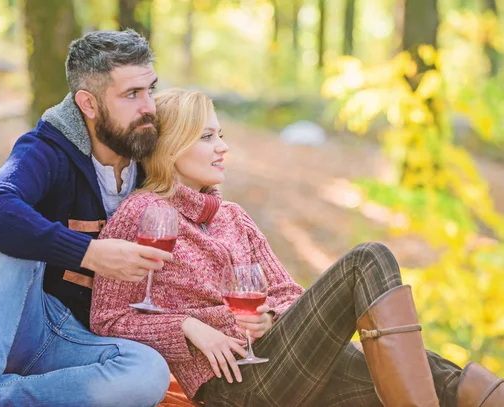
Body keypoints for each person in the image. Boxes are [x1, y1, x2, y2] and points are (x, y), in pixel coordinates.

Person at [90, 88, 504, 407]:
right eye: (208, 136)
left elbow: (288, 296)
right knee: (367, 259)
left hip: (281, 362)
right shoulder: (141, 212)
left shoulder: (234, 217)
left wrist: (269, 318)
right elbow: (106, 319)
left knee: (434, 382)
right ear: (173, 145)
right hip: (232, 383)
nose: (223, 147)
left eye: (222, 135)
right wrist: (187, 327)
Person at [0, 30, 173, 407]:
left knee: (149, 373)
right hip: (19, 322)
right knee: (12, 234)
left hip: (79, 343)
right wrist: (89, 253)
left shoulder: (151, 158)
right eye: (132, 95)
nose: (149, 107)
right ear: (89, 104)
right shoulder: (47, 148)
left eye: (150, 90)